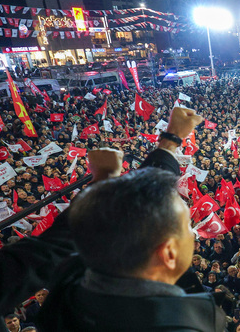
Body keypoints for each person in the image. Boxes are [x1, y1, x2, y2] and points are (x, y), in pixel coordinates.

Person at [36, 107, 228, 330]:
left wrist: (169, 143)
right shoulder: (186, 324)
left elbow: (89, 230)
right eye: (186, 227)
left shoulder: (63, 304)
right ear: (168, 253)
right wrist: (104, 184)